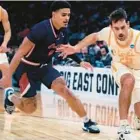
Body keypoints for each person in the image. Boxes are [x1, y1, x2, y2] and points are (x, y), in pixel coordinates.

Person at [57, 8, 140, 139]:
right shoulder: (108, 33)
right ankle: (123, 128)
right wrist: (76, 48)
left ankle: (139, 119)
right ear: (111, 27)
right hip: (120, 66)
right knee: (128, 80)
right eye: (116, 28)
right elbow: (94, 36)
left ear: (128, 24)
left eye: (123, 27)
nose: (120, 32)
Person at [3, 1, 100, 133]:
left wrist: (80, 61)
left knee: (65, 89)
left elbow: (65, 49)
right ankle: (11, 97)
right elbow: (19, 53)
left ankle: (87, 121)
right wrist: (7, 76)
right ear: (54, 14)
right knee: (29, 108)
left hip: (45, 67)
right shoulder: (40, 29)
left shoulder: (63, 31)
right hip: (27, 69)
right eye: (63, 15)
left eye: (69, 15)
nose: (67, 18)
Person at [0, 6, 14, 103]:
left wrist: (4, 43)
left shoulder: (2, 12)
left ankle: (9, 100)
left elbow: (8, 31)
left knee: (7, 72)